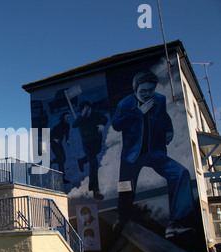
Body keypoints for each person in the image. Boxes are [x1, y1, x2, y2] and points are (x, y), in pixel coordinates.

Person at [111, 71, 195, 238]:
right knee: (126, 190)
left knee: (181, 173)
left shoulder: (160, 100)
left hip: (154, 152)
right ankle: (121, 219)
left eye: (151, 90)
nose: (148, 94)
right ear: (135, 90)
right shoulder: (125, 104)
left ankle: (175, 223)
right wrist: (138, 113)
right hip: (131, 156)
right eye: (143, 91)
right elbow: (116, 125)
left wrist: (169, 130)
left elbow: (164, 118)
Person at [72, 100, 108, 200]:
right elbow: (74, 125)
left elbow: (104, 118)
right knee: (93, 163)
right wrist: (82, 116)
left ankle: (82, 161)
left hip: (96, 142)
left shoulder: (95, 114)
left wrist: (102, 124)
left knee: (96, 153)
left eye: (89, 108)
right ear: (82, 110)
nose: (88, 111)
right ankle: (95, 189)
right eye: (85, 109)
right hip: (87, 144)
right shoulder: (80, 119)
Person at [50, 112, 71, 183]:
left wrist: (67, 140)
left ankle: (52, 161)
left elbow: (67, 133)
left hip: (60, 144)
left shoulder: (68, 125)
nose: (69, 119)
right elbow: (49, 135)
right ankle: (62, 178)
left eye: (69, 117)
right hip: (54, 145)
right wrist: (55, 139)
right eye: (67, 117)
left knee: (63, 160)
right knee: (61, 161)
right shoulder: (58, 126)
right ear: (63, 119)